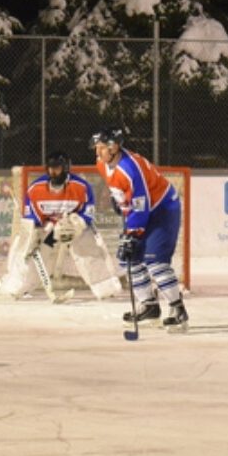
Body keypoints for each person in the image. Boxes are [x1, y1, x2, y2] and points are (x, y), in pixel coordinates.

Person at [0, 151, 119, 301]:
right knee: (31, 255)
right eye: (51, 168)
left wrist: (78, 223)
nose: (53, 172)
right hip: (51, 232)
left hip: (74, 229)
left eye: (57, 168)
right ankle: (16, 286)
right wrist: (33, 236)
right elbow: (30, 217)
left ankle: (106, 288)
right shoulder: (36, 189)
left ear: (66, 168)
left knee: (89, 248)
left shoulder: (81, 187)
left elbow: (89, 213)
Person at [92, 128, 188, 332]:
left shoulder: (130, 167)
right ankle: (149, 306)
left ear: (114, 147)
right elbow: (122, 190)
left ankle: (177, 309)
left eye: (101, 148)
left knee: (155, 261)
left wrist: (133, 233)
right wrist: (117, 199)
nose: (97, 153)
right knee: (131, 258)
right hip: (142, 211)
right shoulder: (102, 164)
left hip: (162, 210)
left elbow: (141, 202)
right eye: (97, 148)